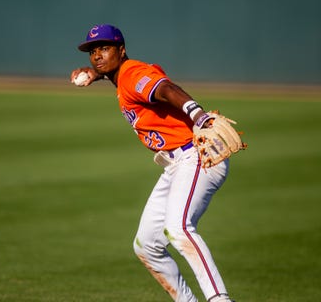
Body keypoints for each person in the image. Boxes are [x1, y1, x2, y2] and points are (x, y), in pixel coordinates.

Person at [70, 24, 236, 302]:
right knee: (147, 245)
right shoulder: (122, 76)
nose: (97, 55)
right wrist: (96, 74)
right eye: (93, 51)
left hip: (196, 155)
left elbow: (166, 89)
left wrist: (197, 114)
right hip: (176, 164)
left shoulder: (133, 73)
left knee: (178, 228)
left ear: (121, 50)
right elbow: (114, 72)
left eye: (105, 48)